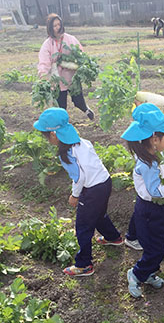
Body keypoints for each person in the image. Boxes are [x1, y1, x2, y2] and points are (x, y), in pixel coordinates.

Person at [34, 107, 122, 277]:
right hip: (105, 181)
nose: (46, 139)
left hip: (92, 189)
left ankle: (84, 265)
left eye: (45, 136)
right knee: (98, 214)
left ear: (53, 135)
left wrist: (75, 195)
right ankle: (113, 237)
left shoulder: (66, 154)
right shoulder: (83, 141)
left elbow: (79, 177)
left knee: (82, 226)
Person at [121, 104, 164, 297]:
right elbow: (155, 191)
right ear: (154, 139)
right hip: (149, 210)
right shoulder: (147, 163)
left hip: (155, 210)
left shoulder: (152, 155)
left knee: (157, 246)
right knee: (156, 249)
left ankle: (149, 273)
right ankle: (136, 274)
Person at [38, 14, 95, 120]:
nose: (57, 28)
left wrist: (78, 64)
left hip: (71, 77)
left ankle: (87, 110)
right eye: (54, 26)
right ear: (50, 28)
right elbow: (44, 62)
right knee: (61, 105)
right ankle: (63, 123)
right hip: (57, 79)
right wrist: (43, 76)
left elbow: (81, 54)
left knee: (78, 100)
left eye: (59, 24)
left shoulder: (70, 39)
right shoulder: (47, 44)